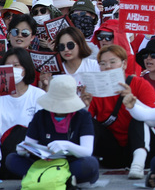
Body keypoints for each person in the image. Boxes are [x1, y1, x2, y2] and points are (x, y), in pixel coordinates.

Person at [6, 75, 99, 186]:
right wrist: (23, 150)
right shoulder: (40, 116)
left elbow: (87, 151)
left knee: (90, 164)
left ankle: (45, 178)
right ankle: (62, 180)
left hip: (71, 162)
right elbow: (29, 144)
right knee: (12, 159)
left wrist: (67, 145)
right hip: (43, 163)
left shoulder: (83, 116)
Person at [82, 45, 155, 179]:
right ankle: (84, 163)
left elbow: (154, 120)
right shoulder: (95, 90)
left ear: (123, 64)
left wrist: (134, 104)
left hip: (144, 148)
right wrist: (84, 106)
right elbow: (86, 124)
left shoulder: (140, 84)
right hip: (114, 150)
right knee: (87, 120)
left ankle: (137, 164)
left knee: (138, 118)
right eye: (103, 63)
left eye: (113, 62)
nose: (108, 67)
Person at [0, 48, 46, 179]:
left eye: (16, 65)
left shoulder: (38, 95)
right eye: (8, 66)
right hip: (6, 155)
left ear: (25, 68)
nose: (12, 69)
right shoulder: (1, 98)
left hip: (31, 154)